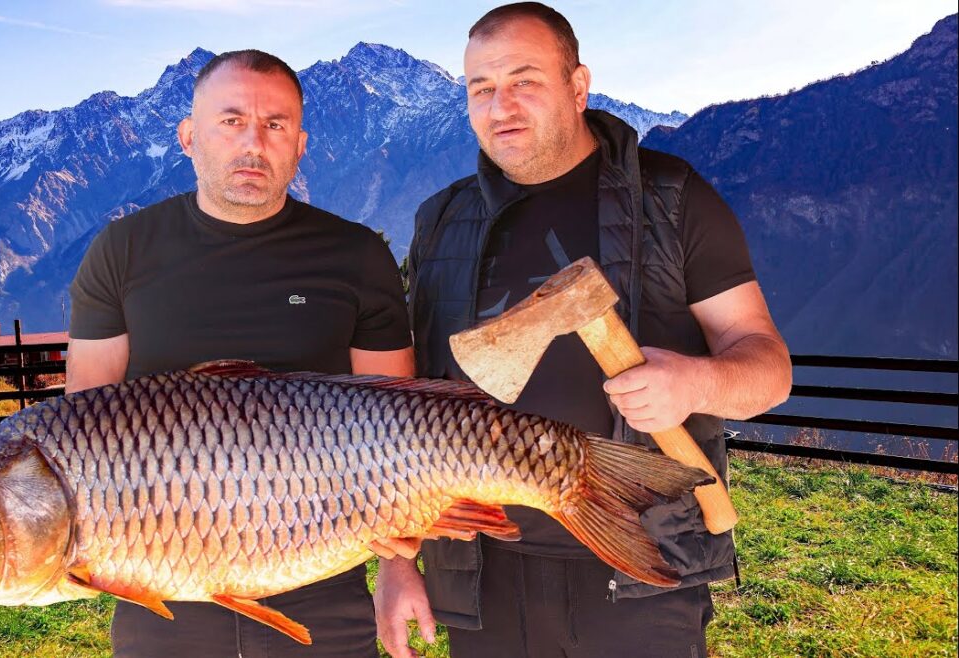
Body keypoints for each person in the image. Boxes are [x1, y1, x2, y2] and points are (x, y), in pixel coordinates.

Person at [374, 3, 792, 657]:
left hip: (641, 567)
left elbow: (768, 367)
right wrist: (400, 561)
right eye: (480, 89)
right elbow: (411, 405)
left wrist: (693, 383)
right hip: (483, 570)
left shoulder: (671, 199)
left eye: (524, 80)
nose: (500, 105)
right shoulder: (440, 220)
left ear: (578, 86)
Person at [66, 49, 414, 658]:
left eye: (275, 125)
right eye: (231, 121)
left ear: (300, 143)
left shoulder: (357, 255)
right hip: (161, 594)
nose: (253, 143)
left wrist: (399, 569)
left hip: (322, 583)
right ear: (188, 136)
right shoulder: (122, 251)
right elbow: (83, 435)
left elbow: (402, 427)